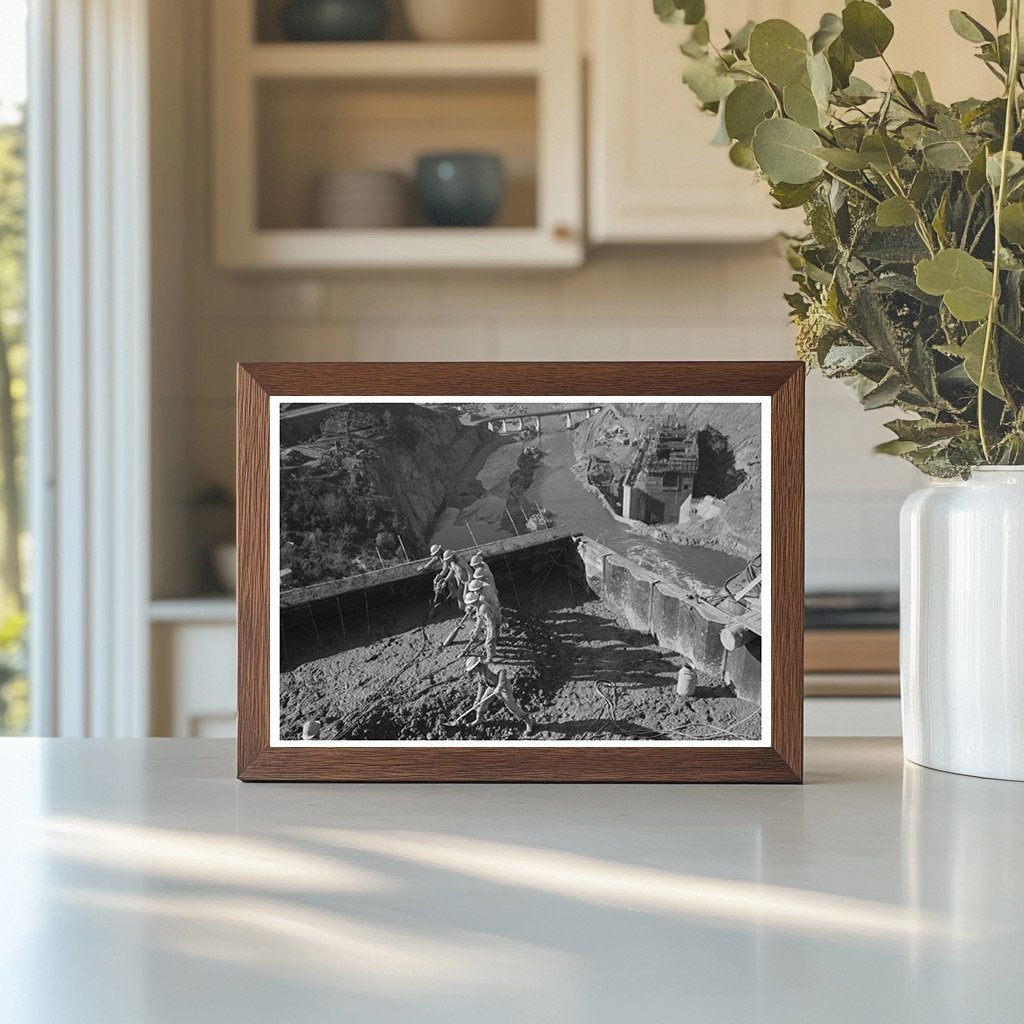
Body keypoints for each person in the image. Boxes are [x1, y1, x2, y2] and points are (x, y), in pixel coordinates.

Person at [465, 656, 534, 735]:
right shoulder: (479, 673)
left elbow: (502, 671)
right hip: (492, 687)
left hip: (503, 686)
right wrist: (477, 700)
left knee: (512, 708)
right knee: (481, 703)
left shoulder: (488, 665)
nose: (473, 671)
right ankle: (479, 719)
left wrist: (499, 687)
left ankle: (529, 722)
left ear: (477, 665)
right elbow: (481, 685)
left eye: (473, 669)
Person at [466, 588, 501, 662]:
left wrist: (491, 632)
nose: (470, 604)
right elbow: (479, 619)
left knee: (488, 643)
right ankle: (493, 652)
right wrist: (476, 630)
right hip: (489, 623)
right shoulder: (478, 606)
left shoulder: (483, 608)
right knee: (491, 641)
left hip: (492, 624)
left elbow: (490, 621)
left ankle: (489, 658)